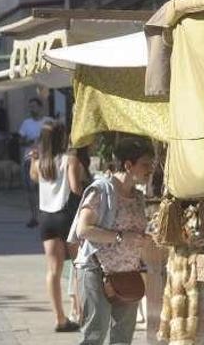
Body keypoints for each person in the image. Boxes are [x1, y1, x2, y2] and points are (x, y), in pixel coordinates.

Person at [70, 137, 155, 345]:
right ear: (128, 165)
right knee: (95, 334)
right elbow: (84, 229)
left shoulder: (138, 196)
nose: (150, 169)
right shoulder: (101, 190)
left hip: (127, 273)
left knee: (123, 338)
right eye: (145, 164)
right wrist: (121, 237)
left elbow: (134, 231)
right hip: (96, 270)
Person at [28, 121, 84, 332]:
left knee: (53, 270)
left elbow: (33, 178)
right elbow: (75, 188)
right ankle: (78, 312)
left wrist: (34, 158)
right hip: (66, 216)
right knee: (78, 266)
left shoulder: (39, 162)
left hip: (46, 218)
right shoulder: (69, 159)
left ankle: (59, 318)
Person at [18, 97, 51, 228]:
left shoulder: (47, 122)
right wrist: (30, 141)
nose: (32, 109)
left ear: (40, 107)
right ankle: (34, 216)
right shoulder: (26, 123)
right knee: (30, 189)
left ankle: (46, 215)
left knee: (45, 188)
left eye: (34, 106)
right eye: (30, 107)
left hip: (45, 159)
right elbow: (20, 141)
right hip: (29, 159)